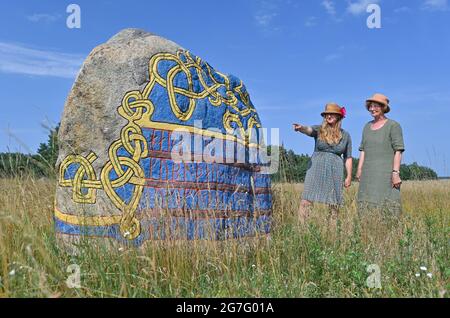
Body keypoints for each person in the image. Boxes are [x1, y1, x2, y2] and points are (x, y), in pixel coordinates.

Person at [293, 103, 352, 224]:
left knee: (333, 203)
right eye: (326, 114)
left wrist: (349, 176)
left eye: (332, 114)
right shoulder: (319, 129)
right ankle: (300, 230)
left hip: (335, 169)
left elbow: (348, 157)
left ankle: (331, 231)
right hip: (315, 168)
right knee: (306, 200)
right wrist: (301, 128)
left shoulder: (346, 135)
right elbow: (309, 130)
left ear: (339, 117)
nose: (329, 116)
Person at [356, 93, 405, 216]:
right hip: (368, 174)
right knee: (365, 207)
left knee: (388, 205)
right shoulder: (366, 126)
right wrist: (359, 169)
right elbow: (363, 150)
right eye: (370, 106)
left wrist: (395, 173)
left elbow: (398, 151)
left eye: (376, 106)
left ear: (383, 107)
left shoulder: (393, 126)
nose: (372, 109)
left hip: (385, 173)